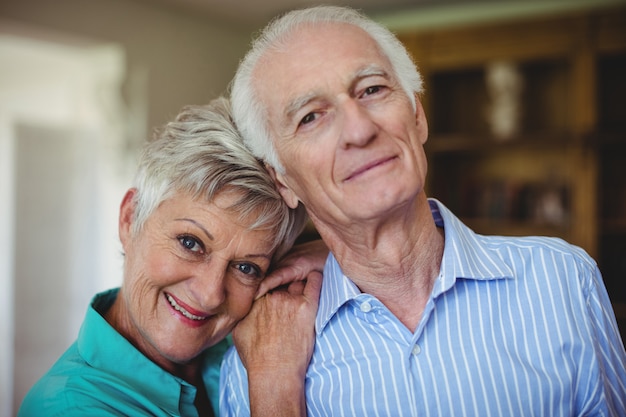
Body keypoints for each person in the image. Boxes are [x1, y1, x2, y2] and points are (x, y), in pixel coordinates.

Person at [220, 6, 626, 416]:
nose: (359, 130)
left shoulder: (563, 280)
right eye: (311, 117)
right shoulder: (259, 363)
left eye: (372, 90)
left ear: (417, 116)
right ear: (283, 180)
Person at [17, 97, 325, 417]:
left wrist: (328, 250)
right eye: (190, 243)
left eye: (246, 267)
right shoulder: (67, 407)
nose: (209, 294)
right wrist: (275, 383)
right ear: (130, 218)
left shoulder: (252, 338)